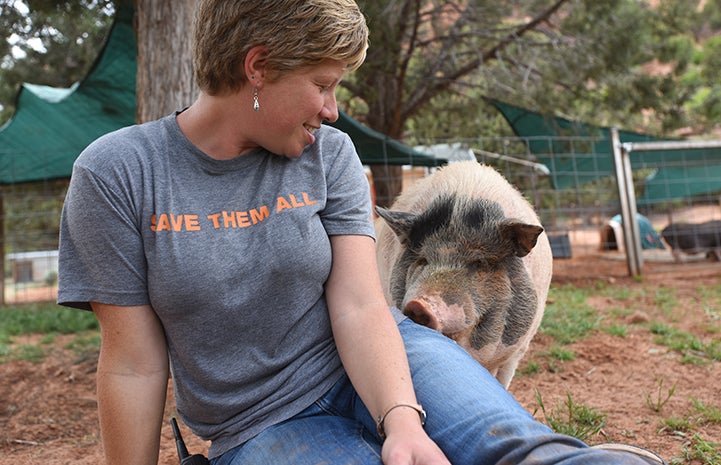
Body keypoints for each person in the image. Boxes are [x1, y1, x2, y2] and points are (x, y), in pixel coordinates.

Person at [57, 1, 667, 464]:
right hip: (258, 420)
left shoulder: (330, 155)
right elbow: (134, 364)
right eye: (323, 84)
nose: (332, 110)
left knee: (525, 454)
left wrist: (402, 418)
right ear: (259, 67)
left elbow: (357, 304)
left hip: (390, 358)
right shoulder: (117, 175)